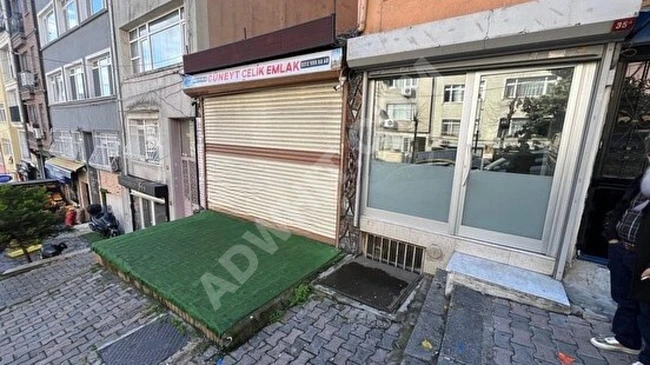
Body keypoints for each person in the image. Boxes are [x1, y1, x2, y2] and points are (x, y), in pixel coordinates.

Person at [591, 137, 650, 365]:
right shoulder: (642, 180)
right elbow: (622, 206)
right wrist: (612, 238)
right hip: (623, 250)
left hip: (645, 259)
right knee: (624, 299)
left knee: (648, 311)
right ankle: (627, 340)